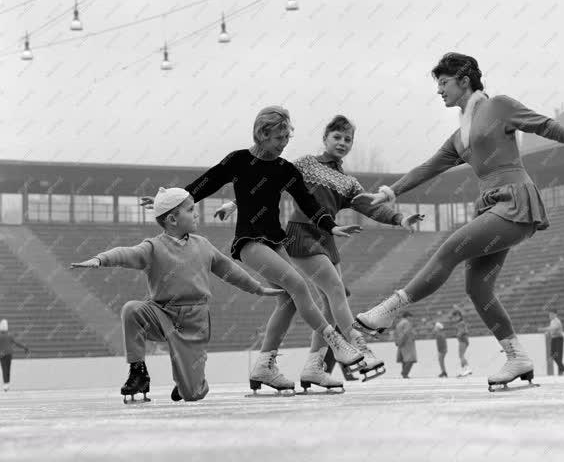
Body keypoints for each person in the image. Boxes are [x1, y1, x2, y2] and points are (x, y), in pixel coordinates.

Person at [353, 52, 564, 390]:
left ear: (464, 80)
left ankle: (388, 310)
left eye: (443, 83)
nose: (439, 90)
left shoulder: (498, 106)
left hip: (515, 201)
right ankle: (517, 357)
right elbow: (429, 167)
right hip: (490, 206)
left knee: (452, 246)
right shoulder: (459, 136)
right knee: (477, 287)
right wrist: (390, 192)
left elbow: (543, 124)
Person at [142, 106, 366, 394]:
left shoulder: (286, 169)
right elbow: (206, 182)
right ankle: (337, 344)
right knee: (299, 286)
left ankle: (264, 365)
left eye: (287, 137)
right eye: (278, 138)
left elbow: (308, 202)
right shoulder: (239, 160)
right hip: (249, 242)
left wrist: (331, 226)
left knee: (287, 300)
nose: (284, 143)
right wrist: (170, 201)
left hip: (276, 241)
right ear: (262, 134)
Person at [215, 115, 423, 387]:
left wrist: (399, 218)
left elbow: (371, 206)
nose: (342, 143)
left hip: (327, 239)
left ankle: (315, 366)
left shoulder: (349, 182)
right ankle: (359, 347)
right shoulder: (305, 163)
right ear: (325, 138)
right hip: (301, 233)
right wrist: (234, 204)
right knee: (336, 289)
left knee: (331, 299)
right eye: (337, 137)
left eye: (348, 139)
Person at [72, 187, 286, 402]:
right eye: (191, 209)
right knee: (132, 310)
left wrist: (257, 288)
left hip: (195, 322)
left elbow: (229, 270)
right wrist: (100, 259)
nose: (196, 213)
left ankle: (188, 381)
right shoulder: (153, 247)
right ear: (173, 219)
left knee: (192, 394)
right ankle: (138, 372)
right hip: (161, 314)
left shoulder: (203, 245)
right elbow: (126, 253)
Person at [0, 319, 30, 392]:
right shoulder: (9, 335)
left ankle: (5, 385)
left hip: (2, 355)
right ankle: (7, 384)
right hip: (9, 354)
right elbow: (17, 343)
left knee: (4, 369)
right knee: (8, 369)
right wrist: (25, 347)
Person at [539, 309, 564, 375]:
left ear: (555, 314)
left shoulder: (557, 321)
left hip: (559, 338)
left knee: (558, 355)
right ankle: (562, 368)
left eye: (551, 314)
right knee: (553, 354)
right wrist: (547, 331)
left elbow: (553, 328)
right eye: (549, 314)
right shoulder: (552, 321)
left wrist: (543, 329)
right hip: (554, 338)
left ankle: (562, 369)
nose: (550, 316)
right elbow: (551, 329)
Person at [451, 306, 472, 377]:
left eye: (456, 316)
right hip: (463, 340)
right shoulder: (460, 323)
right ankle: (464, 370)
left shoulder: (461, 323)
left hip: (463, 340)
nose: (455, 318)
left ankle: (467, 369)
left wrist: (458, 334)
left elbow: (463, 331)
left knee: (461, 355)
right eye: (454, 317)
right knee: (461, 355)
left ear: (459, 316)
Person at [395, 311, 417, 378]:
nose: (411, 319)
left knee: (404, 359)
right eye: (411, 317)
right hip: (407, 343)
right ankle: (405, 373)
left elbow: (396, 333)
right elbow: (406, 333)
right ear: (407, 316)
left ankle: (404, 372)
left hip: (401, 343)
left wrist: (398, 341)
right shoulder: (407, 323)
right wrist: (402, 341)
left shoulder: (399, 323)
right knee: (410, 359)